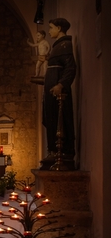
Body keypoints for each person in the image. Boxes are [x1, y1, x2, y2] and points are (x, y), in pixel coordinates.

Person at [41, 18, 76, 168]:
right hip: (51, 93)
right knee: (51, 120)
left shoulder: (65, 45)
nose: (49, 31)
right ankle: (54, 151)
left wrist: (60, 84)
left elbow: (70, 68)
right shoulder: (57, 46)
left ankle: (63, 152)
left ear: (59, 28)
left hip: (58, 94)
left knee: (60, 121)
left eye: (51, 28)